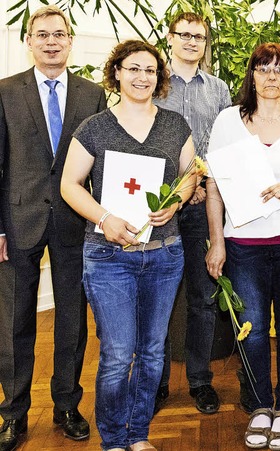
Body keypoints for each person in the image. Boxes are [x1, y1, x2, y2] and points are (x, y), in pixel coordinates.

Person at [60, 40, 196, 451]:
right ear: (116, 72)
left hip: (165, 255)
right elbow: (69, 185)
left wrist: (175, 201)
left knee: (154, 353)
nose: (142, 77)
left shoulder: (175, 125)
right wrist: (104, 217)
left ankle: (139, 436)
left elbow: (192, 174)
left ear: (160, 78)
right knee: (119, 355)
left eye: (151, 70)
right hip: (109, 258)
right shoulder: (95, 127)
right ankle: (113, 440)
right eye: (133, 68)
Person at [205, 43, 280, 450]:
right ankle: (260, 407)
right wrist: (217, 242)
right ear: (252, 75)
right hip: (243, 243)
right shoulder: (228, 121)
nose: (272, 77)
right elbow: (214, 185)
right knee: (252, 330)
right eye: (264, 69)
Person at [0, 5, 106, 450]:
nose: (51, 41)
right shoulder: (4, 92)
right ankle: (13, 414)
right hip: (16, 221)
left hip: (74, 224)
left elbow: (100, 166)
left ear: (70, 40)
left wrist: (101, 221)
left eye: (59, 34)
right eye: (41, 34)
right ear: (28, 40)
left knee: (70, 320)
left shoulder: (92, 94)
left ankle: (66, 404)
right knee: (13, 321)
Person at [153, 11, 231, 416]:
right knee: (160, 299)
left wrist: (203, 186)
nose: (190, 42)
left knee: (202, 296)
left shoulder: (219, 90)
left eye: (198, 36)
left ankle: (200, 381)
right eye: (183, 35)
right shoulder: (150, 80)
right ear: (170, 38)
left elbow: (224, 146)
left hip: (203, 206)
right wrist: (174, 193)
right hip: (158, 208)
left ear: (205, 43)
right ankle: (157, 382)